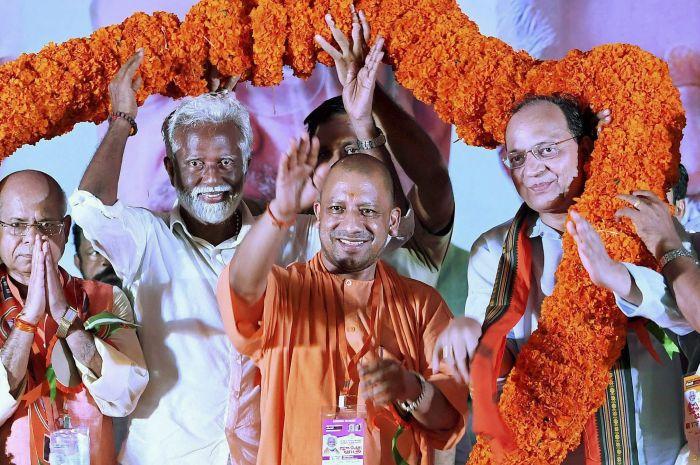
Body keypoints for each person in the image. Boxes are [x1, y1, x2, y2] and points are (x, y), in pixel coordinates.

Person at [217, 37, 467, 465]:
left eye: (367, 209)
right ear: (317, 208)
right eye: (337, 207)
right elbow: (240, 288)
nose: (351, 222)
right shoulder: (284, 286)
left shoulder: (422, 302)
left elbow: (449, 421)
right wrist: (278, 210)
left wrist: (410, 387)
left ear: (391, 220)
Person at [435, 95, 693, 465]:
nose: (532, 169)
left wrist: (620, 278)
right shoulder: (494, 252)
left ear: (586, 147)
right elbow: (501, 376)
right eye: (518, 157)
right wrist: (473, 340)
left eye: (547, 150)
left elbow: (689, 318)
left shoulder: (647, 226)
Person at [70, 51, 260, 464]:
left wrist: (362, 124)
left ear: (247, 165)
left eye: (226, 161)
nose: (212, 177)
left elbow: (380, 231)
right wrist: (122, 120)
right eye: (195, 163)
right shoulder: (146, 238)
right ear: (172, 171)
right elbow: (87, 208)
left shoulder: (283, 240)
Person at [279, 9, 454, 287]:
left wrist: (365, 111)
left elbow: (434, 178)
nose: (336, 162)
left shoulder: (410, 235)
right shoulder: (286, 235)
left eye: (351, 149)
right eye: (324, 153)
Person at [0, 170, 147, 465]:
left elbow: (124, 396)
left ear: (66, 230)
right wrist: (28, 319)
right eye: (17, 225)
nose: (34, 238)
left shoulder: (106, 298)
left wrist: (67, 318)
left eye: (47, 225)